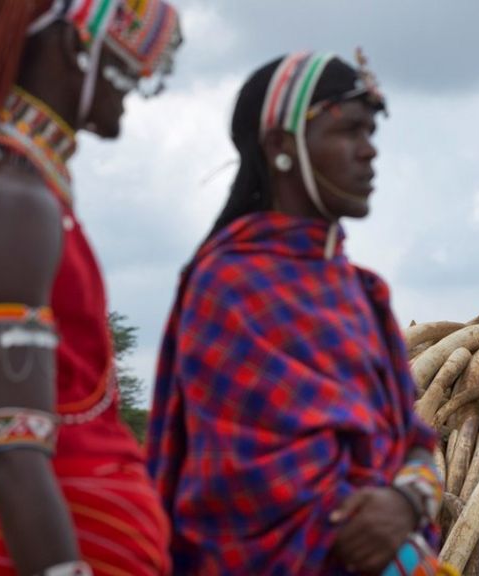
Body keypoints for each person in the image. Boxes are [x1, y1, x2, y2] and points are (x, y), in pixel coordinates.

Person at [0, 1, 181, 574]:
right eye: (129, 55)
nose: (141, 79)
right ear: (75, 47)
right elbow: (12, 443)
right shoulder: (14, 203)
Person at [145, 51, 454, 575]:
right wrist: (368, 520)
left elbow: (414, 445)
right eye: (349, 131)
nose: (369, 151)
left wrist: (404, 503)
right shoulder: (226, 287)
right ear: (280, 147)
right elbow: (243, 485)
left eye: (372, 131)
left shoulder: (365, 293)